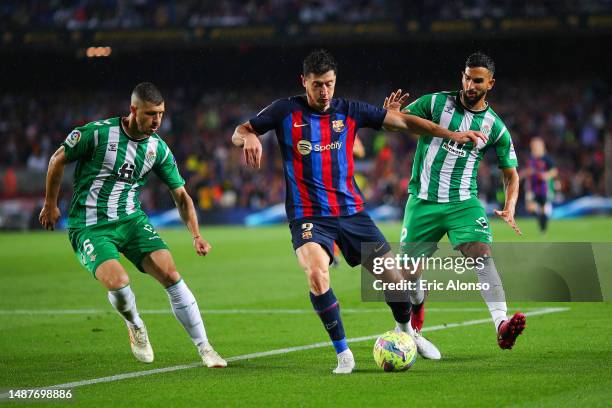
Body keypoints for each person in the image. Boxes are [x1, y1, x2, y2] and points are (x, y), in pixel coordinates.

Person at [231, 49, 486, 373]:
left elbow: (404, 121)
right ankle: (343, 353)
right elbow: (239, 130)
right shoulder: (284, 111)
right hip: (308, 216)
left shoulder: (349, 111)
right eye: (317, 85)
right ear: (303, 82)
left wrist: (452, 134)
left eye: (329, 84)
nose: (324, 92)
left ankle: (408, 333)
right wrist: (250, 136)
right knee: (316, 272)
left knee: (396, 280)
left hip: (352, 213)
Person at [39, 82, 226, 368]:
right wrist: (51, 204)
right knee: (119, 282)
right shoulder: (97, 134)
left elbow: (182, 196)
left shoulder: (157, 149)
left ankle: (206, 348)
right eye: (151, 114)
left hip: (131, 221)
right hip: (90, 226)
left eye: (161, 114)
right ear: (133, 110)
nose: (157, 121)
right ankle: (135, 324)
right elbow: (56, 160)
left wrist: (196, 235)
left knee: (171, 273)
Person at [387, 52, 526, 351]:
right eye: (466, 77)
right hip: (422, 201)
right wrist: (392, 114)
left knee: (481, 253)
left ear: (490, 83)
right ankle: (415, 320)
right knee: (408, 276)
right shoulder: (435, 103)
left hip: (463, 202)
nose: (470, 84)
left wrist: (510, 205)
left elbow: (511, 174)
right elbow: (393, 123)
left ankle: (501, 324)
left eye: (478, 80)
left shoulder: (495, 126)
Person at [525, 137, 557, 233]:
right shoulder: (531, 159)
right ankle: (541, 222)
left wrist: (545, 176)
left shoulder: (547, 159)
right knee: (530, 207)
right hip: (533, 187)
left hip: (544, 187)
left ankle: (543, 228)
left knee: (543, 208)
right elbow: (529, 172)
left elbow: (554, 171)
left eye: (535, 145)